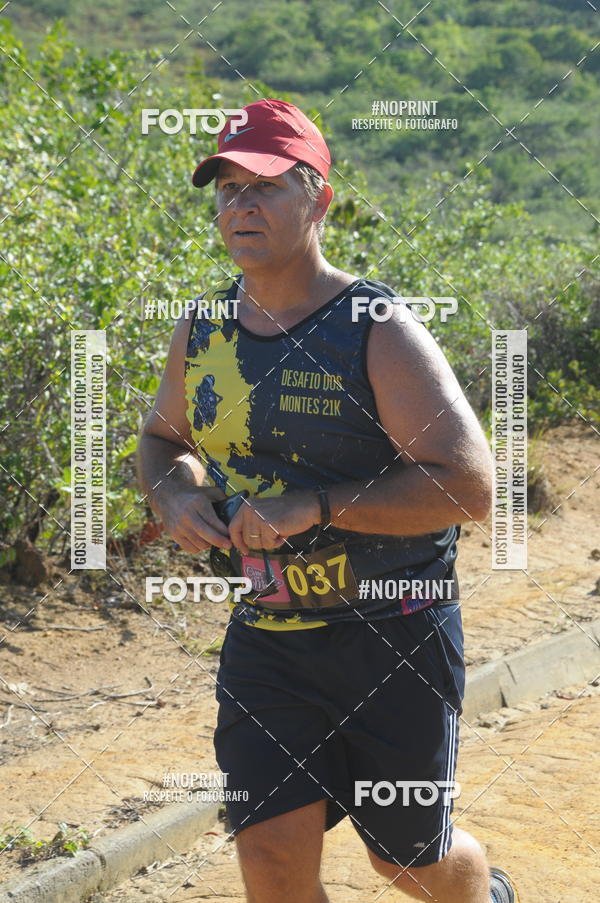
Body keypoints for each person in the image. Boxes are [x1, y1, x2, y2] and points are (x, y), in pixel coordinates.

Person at [137, 98, 519, 903]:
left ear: (318, 200)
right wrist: (175, 494)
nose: (240, 204)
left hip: (394, 638)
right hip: (269, 645)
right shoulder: (204, 329)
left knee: (409, 860)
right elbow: (162, 439)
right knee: (272, 865)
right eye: (227, 187)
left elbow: (470, 485)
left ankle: (487, 892)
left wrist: (315, 505)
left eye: (265, 186)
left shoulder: (374, 326)